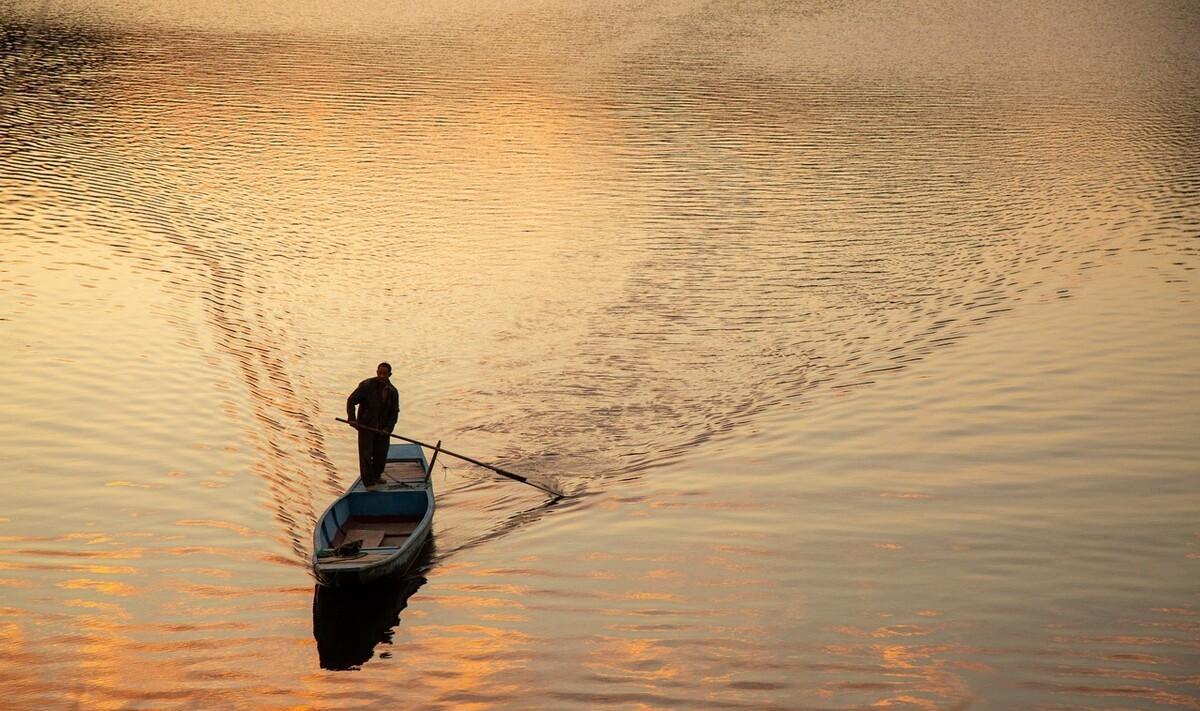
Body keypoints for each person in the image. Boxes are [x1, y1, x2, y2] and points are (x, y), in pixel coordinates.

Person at [346, 362, 400, 488]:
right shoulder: (366, 385)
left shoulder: (393, 392)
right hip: (366, 427)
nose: (381, 376)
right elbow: (351, 401)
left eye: (384, 374)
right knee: (365, 455)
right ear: (376, 372)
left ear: (389, 375)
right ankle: (368, 482)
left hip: (383, 430)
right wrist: (352, 418)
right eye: (379, 373)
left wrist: (388, 429)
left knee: (380, 455)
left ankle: (376, 476)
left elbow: (394, 413)